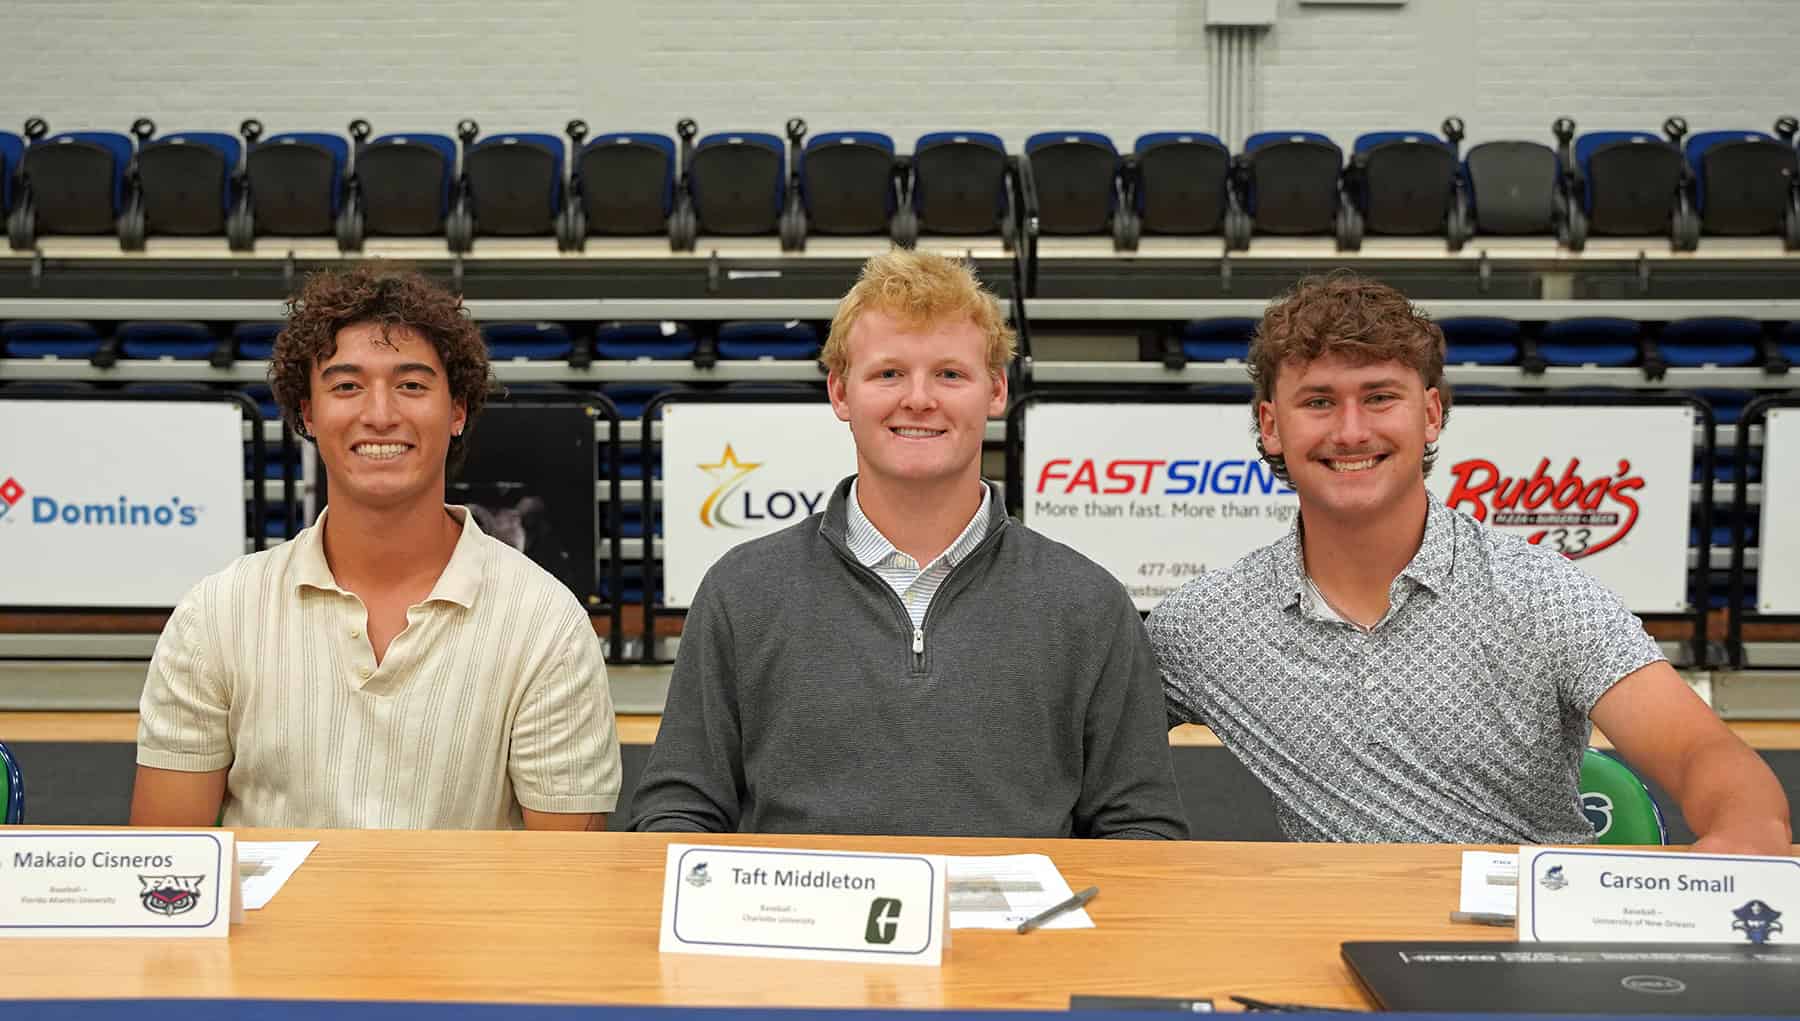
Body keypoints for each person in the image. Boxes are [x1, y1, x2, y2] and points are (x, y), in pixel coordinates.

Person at [1147, 272, 1790, 854]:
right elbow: (1072, 734)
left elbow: (1703, 753)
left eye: (1379, 397)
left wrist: (1747, 831)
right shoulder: (1205, 625)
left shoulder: (1541, 594)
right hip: (1332, 943)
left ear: (1430, 415)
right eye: (1318, 402)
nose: (1349, 431)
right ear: (1271, 426)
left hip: (1534, 948)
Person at [630, 249, 1185, 839]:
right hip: (806, 928)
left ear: (995, 391)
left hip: (1019, 932)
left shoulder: (1087, 602)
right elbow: (679, 808)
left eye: (950, 373)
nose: (918, 399)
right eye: (888, 373)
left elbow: (1142, 828)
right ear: (841, 393)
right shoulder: (743, 590)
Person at [132, 264, 621, 830]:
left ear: (457, 409)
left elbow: (563, 882)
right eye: (346, 385)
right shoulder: (216, 614)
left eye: (411, 385)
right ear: (308, 413)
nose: (381, 414)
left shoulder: (546, 623)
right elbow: (164, 869)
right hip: (279, 924)